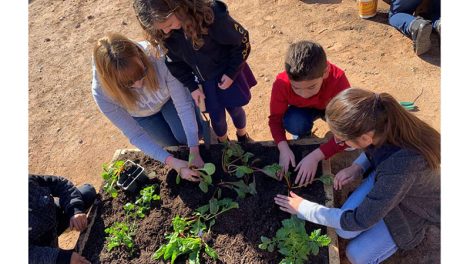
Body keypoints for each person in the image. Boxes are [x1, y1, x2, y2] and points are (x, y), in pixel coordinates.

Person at [274, 88, 440, 263]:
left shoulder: (400, 167)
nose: (338, 143)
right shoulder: (381, 120)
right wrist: (357, 167)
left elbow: (359, 220)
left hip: (414, 207)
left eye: (342, 140)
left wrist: (305, 209)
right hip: (390, 183)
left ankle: (413, 229)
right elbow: (376, 151)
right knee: (342, 231)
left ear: (365, 137)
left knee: (356, 255)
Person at [133, 0, 257, 143]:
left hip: (228, 74)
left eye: (168, 25)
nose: (166, 31)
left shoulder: (211, 15)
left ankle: (243, 136)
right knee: (217, 119)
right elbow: (176, 65)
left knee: (236, 110)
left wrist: (231, 73)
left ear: (178, 8)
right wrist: (192, 87)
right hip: (206, 84)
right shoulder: (166, 35)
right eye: (161, 29)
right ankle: (224, 145)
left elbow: (242, 42)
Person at [92, 33, 204, 182]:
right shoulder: (102, 92)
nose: (139, 85)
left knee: (188, 136)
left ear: (140, 55)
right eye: (128, 84)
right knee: (170, 146)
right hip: (143, 115)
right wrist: (173, 162)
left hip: (169, 100)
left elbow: (183, 105)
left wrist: (194, 149)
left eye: (142, 73)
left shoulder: (158, 56)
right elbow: (135, 135)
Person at [269, 41, 351, 186]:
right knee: (295, 122)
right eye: (296, 88)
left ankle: (331, 134)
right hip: (301, 111)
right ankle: (304, 136)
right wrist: (283, 148)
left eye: (311, 86)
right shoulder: (281, 84)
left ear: (325, 72)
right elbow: (275, 119)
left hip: (330, 108)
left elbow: (351, 128)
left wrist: (315, 156)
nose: (304, 94)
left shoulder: (338, 80)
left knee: (349, 135)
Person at [29, 174, 97, 264]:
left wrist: (75, 210)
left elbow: (60, 183)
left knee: (88, 192)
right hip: (35, 247)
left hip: (51, 220)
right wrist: (62, 258)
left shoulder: (29, 181)